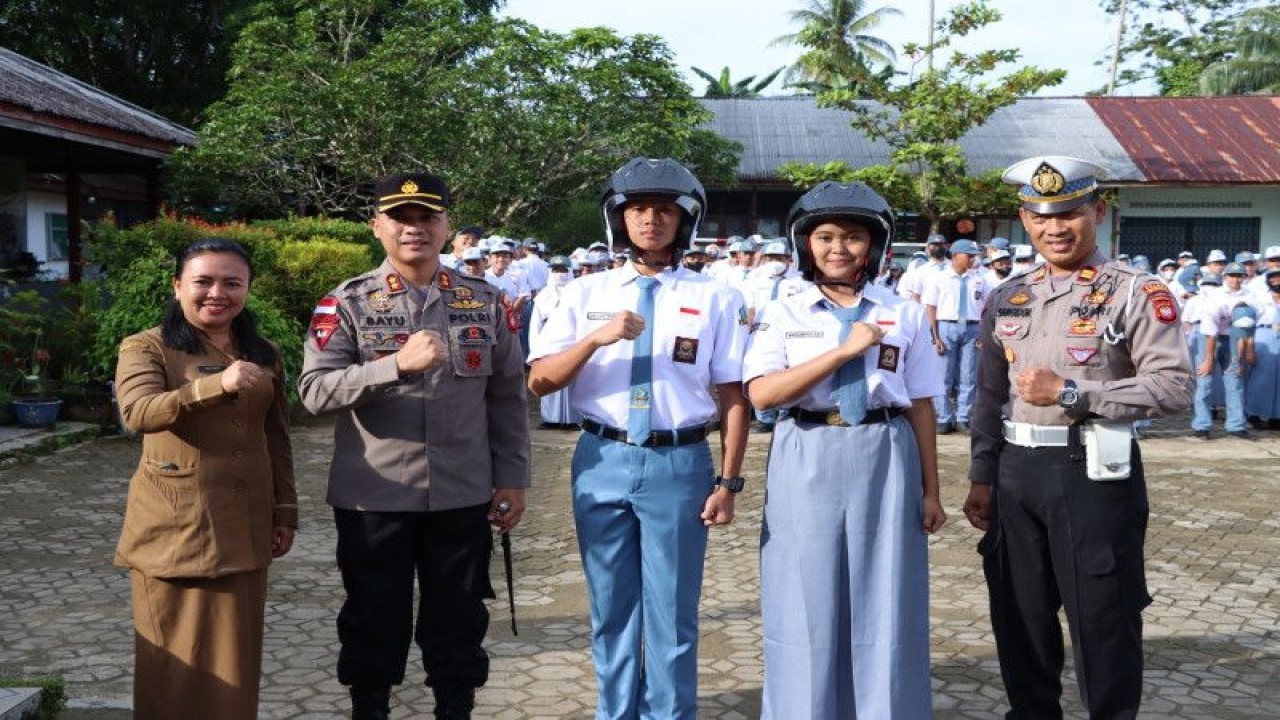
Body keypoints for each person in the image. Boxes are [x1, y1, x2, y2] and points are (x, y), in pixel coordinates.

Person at [964, 155, 1194, 720]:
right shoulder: (1008, 296)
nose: (1056, 228)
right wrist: (981, 474)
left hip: (1092, 471)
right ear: (1025, 218)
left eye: (1070, 214)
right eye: (1042, 218)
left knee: (1103, 615)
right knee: (1019, 613)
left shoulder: (1136, 291)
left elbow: (1176, 386)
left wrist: (1074, 394)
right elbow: (989, 397)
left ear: (1098, 211)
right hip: (1016, 471)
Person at [298, 172, 530, 720]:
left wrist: (513, 477)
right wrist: (393, 366)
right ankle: (369, 710)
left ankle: (456, 709)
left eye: (428, 217)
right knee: (373, 615)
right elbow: (313, 393)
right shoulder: (347, 302)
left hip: (463, 493)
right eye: (402, 218)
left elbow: (507, 399)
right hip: (375, 496)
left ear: (448, 226)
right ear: (377, 225)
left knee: (459, 616)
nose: (415, 229)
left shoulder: (483, 301)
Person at [526, 157, 749, 719]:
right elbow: (540, 380)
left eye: (665, 210)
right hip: (601, 455)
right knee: (610, 606)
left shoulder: (716, 295)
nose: (651, 220)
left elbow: (732, 396)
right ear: (618, 219)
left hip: (679, 462)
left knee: (672, 610)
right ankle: (615, 711)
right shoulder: (582, 294)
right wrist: (595, 338)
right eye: (638, 209)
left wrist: (728, 481)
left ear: (684, 220)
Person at [742, 181, 946, 718]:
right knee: (802, 594)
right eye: (825, 236)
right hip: (806, 448)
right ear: (805, 243)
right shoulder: (784, 311)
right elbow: (762, 394)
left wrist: (932, 490)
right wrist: (841, 353)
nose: (839, 248)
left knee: (887, 597)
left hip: (885, 451)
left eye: (853, 237)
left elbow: (921, 403)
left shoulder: (901, 312)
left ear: (874, 246)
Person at [114, 238, 297, 720]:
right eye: (204, 281)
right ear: (178, 287)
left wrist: (285, 511)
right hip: (175, 533)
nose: (218, 293)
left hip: (245, 528)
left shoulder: (263, 352)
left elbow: (276, 438)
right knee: (169, 674)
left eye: (232, 283)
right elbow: (139, 412)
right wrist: (216, 384)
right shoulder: (146, 346)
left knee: (234, 672)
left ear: (248, 289)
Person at [922, 238, 987, 433]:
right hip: (946, 326)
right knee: (943, 376)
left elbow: (986, 307)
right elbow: (930, 308)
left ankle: (963, 417)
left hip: (972, 327)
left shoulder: (979, 279)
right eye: (969, 256)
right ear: (956, 255)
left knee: (968, 375)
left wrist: (984, 332)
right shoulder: (939, 278)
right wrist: (935, 337)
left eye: (974, 256)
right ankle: (944, 417)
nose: (972, 260)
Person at [1192, 262, 1261, 439]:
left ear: (1244, 277)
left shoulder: (1251, 297)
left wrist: (1243, 356)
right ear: (1225, 277)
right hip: (1209, 337)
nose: (1236, 279)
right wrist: (1208, 360)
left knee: (1235, 379)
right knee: (1204, 380)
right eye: (1232, 275)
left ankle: (1236, 425)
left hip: (1235, 338)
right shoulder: (1216, 298)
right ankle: (1202, 425)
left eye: (1240, 275)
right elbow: (1210, 333)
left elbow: (1247, 331)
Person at [529, 255, 578, 429]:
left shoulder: (578, 292)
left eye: (563, 270)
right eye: (556, 270)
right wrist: (535, 350)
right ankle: (550, 419)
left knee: (573, 379)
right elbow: (535, 325)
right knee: (550, 379)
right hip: (548, 344)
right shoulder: (543, 296)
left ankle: (573, 419)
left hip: (572, 342)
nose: (560, 274)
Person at [1246, 266, 1280, 428]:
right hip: (1263, 334)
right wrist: (1250, 348)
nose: (1276, 280)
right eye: (1272, 277)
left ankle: (1276, 416)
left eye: (1279, 277)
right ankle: (1254, 413)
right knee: (1260, 377)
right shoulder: (1259, 299)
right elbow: (1250, 324)